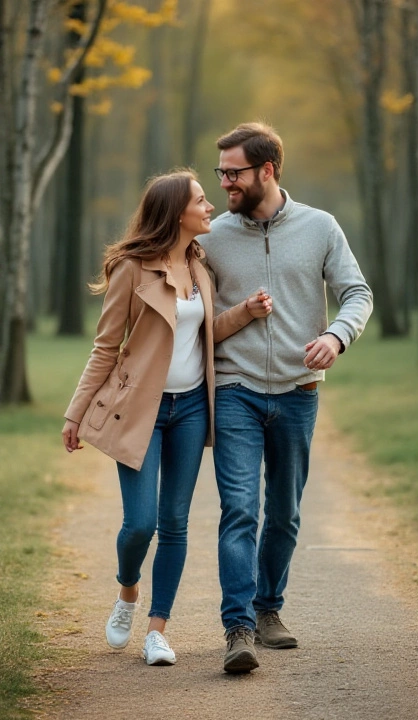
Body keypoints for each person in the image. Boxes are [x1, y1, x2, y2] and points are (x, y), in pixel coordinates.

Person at [62, 170, 271, 666]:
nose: (210, 207)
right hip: (140, 410)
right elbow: (105, 347)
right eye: (201, 200)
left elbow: (201, 334)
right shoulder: (132, 269)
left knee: (175, 523)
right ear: (177, 211)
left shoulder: (200, 266)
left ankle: (158, 629)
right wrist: (75, 413)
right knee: (141, 523)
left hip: (193, 407)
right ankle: (128, 590)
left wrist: (243, 312)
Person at [202, 122, 373, 673]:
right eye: (220, 172)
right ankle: (239, 628)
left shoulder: (320, 227)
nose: (225, 182)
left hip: (299, 394)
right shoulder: (210, 237)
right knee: (240, 512)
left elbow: (356, 292)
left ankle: (269, 607)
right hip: (235, 390)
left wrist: (335, 336)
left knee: (286, 513)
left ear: (268, 170)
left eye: (234, 172)